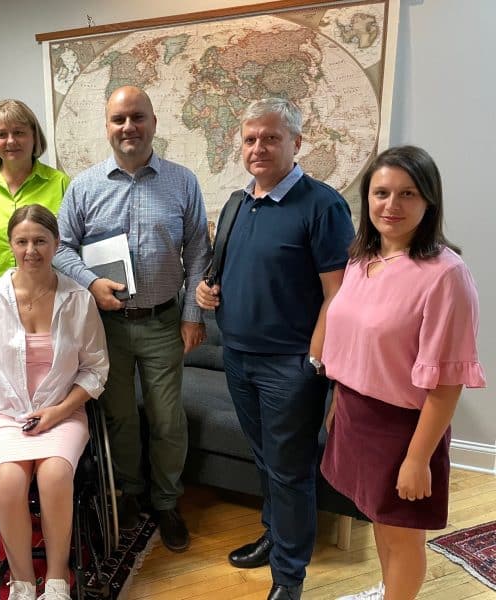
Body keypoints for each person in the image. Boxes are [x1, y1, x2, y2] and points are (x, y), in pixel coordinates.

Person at [196, 98, 355, 600]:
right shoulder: (239, 202)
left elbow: (339, 295)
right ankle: (276, 535)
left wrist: (313, 361)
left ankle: (290, 577)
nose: (258, 147)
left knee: (289, 470)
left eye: (270, 138)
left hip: (290, 366)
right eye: (250, 139)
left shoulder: (322, 204)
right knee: (266, 461)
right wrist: (205, 292)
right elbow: (221, 272)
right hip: (238, 360)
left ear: (296, 143)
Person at [321, 146, 486, 600]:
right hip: (357, 416)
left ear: (429, 201)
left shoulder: (445, 276)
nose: (391, 206)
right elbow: (351, 343)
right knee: (380, 519)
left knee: (403, 535)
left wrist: (417, 459)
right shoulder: (361, 259)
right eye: (381, 193)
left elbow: (447, 381)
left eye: (407, 194)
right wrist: (339, 401)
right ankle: (388, 589)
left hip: (404, 428)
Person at [53, 85, 211, 553]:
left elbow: (200, 251)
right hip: (106, 329)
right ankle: (130, 493)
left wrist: (192, 315)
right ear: (107, 127)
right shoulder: (83, 186)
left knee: (167, 420)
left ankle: (166, 501)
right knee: (119, 417)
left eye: (137, 117)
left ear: (153, 122)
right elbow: (60, 247)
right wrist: (90, 282)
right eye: (119, 119)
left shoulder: (182, 181)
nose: (128, 127)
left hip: (164, 322)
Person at [0, 204, 108, 600]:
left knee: (54, 476)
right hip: (5, 414)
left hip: (63, 411)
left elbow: (96, 370)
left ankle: (55, 579)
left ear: (56, 244)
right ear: (11, 245)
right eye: (22, 241)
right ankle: (21, 581)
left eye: (40, 241)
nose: (31, 250)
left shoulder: (78, 300)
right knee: (7, 479)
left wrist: (59, 411)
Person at [0, 99, 69, 315]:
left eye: (19, 132)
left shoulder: (60, 184)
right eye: (1, 134)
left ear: (34, 136)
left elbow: (72, 248)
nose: (10, 141)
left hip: (51, 305)